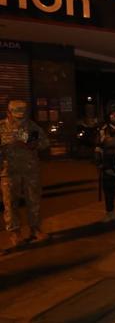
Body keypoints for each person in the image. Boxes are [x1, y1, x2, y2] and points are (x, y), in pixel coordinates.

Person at [0, 100, 50, 246]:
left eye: (22, 116)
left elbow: (44, 143)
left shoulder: (31, 127)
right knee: (10, 203)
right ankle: (15, 233)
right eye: (17, 116)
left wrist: (32, 144)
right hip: (9, 172)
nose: (20, 119)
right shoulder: (1, 128)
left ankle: (35, 229)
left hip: (30, 171)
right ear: (8, 113)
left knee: (33, 200)